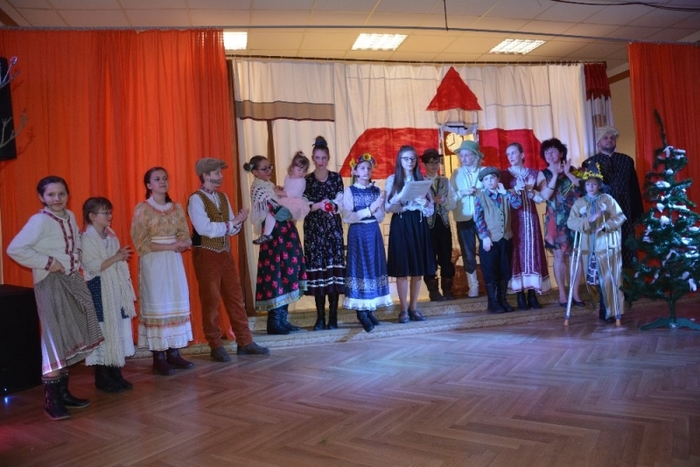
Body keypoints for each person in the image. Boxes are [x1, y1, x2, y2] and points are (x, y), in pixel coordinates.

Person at [7, 176, 103, 421]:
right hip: (50, 283)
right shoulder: (39, 221)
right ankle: (52, 401)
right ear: (41, 197)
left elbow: (76, 240)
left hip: (71, 281)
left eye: (61, 194)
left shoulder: (69, 215)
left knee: (69, 333)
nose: (57, 199)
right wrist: (49, 263)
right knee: (53, 337)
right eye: (51, 195)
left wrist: (76, 255)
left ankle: (64, 393)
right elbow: (15, 248)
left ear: (68, 195)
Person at [187, 158, 269, 362]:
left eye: (220, 172)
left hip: (224, 253)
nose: (220, 176)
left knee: (235, 298)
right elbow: (204, 229)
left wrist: (238, 221)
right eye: (216, 173)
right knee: (211, 300)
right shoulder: (196, 199)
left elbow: (231, 230)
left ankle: (245, 341)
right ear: (205, 175)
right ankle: (215, 344)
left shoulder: (223, 197)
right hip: (206, 254)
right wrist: (233, 222)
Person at [130, 167, 194, 376]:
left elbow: (185, 233)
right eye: (157, 179)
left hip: (173, 262)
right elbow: (140, 243)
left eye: (165, 178)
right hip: (154, 262)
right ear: (148, 185)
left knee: (175, 299)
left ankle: (173, 352)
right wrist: (170, 246)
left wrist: (182, 243)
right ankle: (158, 356)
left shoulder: (176, 208)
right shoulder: (143, 209)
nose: (162, 182)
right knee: (158, 303)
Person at [245, 155, 307, 334]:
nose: (269, 171)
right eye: (264, 168)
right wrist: (293, 210)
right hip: (274, 238)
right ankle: (274, 322)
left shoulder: (270, 186)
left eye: (270, 167)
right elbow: (277, 211)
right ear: (255, 172)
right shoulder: (259, 188)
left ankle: (282, 319)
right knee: (276, 274)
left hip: (286, 234)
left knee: (288, 272)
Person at [82, 197, 137, 393]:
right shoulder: (86, 239)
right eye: (105, 212)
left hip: (115, 287)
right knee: (104, 330)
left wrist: (119, 257)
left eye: (110, 212)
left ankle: (115, 370)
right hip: (99, 288)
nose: (110, 216)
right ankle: (102, 375)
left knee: (117, 327)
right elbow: (92, 266)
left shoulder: (110, 236)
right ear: (92, 216)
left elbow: (115, 261)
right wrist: (116, 257)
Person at [566, 165, 626, 326]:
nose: (591, 187)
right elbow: (571, 222)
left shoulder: (607, 199)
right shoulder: (580, 202)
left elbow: (620, 217)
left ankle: (610, 310)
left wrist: (605, 225)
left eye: (594, 184)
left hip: (605, 246)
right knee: (593, 280)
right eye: (588, 184)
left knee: (608, 277)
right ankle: (600, 306)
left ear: (599, 185)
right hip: (588, 246)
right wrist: (589, 219)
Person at [339, 152, 392, 332]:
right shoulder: (350, 191)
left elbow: (380, 217)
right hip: (358, 233)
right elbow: (348, 217)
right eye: (362, 168)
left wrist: (379, 206)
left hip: (373, 232)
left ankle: (369, 309)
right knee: (360, 268)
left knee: (373, 268)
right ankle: (361, 312)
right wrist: (370, 209)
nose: (366, 171)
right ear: (355, 171)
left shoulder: (375, 190)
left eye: (369, 168)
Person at [385, 145, 436, 323]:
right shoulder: (393, 180)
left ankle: (414, 307)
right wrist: (400, 197)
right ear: (400, 160)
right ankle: (403, 309)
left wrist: (425, 203)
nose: (410, 162)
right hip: (401, 222)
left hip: (418, 223)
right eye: (406, 158)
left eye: (413, 159)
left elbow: (430, 210)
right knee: (402, 269)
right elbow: (388, 207)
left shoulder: (421, 180)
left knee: (417, 269)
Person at [581, 125, 644, 269]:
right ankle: (607, 281)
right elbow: (587, 191)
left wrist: (637, 214)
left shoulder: (627, 161)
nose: (609, 140)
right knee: (605, 247)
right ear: (599, 142)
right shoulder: (590, 163)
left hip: (625, 210)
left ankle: (627, 281)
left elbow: (634, 188)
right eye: (605, 138)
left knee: (627, 245)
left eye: (612, 138)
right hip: (602, 212)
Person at [500, 142, 551, 310]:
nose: (511, 157)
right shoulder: (504, 175)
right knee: (517, 253)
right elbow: (500, 196)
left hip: (530, 218)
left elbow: (543, 196)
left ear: (522, 155)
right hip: (513, 219)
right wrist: (514, 190)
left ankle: (532, 294)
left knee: (532, 252)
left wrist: (530, 191)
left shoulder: (534, 174)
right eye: (508, 154)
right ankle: (520, 294)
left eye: (513, 153)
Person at [535, 138, 585, 307]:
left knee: (575, 255)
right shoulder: (543, 174)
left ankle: (575, 293)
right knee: (559, 256)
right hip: (555, 219)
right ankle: (562, 294)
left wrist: (568, 173)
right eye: (546, 152)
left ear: (561, 153)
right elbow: (545, 196)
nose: (549, 154)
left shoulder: (574, 170)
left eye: (553, 151)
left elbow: (583, 189)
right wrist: (556, 175)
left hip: (574, 218)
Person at [303, 136, 345, 330]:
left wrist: (333, 205)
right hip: (314, 232)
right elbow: (303, 205)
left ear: (328, 158)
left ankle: (333, 317)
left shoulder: (336, 178)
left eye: (324, 158)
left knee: (332, 273)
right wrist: (317, 205)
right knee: (319, 274)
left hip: (332, 230)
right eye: (317, 157)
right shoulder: (306, 180)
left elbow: (341, 201)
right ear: (313, 158)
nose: (320, 161)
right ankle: (320, 317)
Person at [473, 167, 524, 313]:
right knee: (491, 271)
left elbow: (517, 204)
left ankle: (502, 299)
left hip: (505, 238)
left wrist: (506, 192)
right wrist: (484, 237)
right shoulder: (480, 196)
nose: (490, 181)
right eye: (486, 179)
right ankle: (493, 302)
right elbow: (478, 218)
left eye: (492, 178)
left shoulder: (505, 194)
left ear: (498, 180)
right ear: (483, 183)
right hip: (490, 240)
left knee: (504, 270)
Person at [421, 148, 457, 301]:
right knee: (429, 257)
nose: (434, 166)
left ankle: (447, 289)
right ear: (424, 165)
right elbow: (417, 204)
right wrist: (430, 201)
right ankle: (433, 291)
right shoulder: (420, 182)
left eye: (436, 162)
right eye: (431, 163)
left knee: (446, 255)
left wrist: (444, 201)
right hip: (427, 225)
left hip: (443, 223)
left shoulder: (445, 181)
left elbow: (453, 203)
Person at [253, 151, 311, 244]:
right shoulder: (287, 177)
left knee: (277, 215)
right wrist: (282, 189)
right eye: (299, 170)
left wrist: (279, 192)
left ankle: (267, 234)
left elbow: (293, 193)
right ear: (292, 167)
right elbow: (287, 188)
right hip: (285, 203)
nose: (302, 173)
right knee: (272, 215)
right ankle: (267, 234)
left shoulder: (301, 181)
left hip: (294, 202)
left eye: (304, 171)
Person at [450, 140, 484, 298]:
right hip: (463, 218)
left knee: (487, 251)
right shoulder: (456, 174)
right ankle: (473, 286)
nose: (463, 158)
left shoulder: (483, 172)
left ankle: (491, 284)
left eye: (467, 155)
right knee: (468, 253)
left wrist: (479, 192)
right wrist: (462, 193)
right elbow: (450, 198)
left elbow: (491, 194)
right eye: (461, 155)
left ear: (475, 156)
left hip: (482, 217)